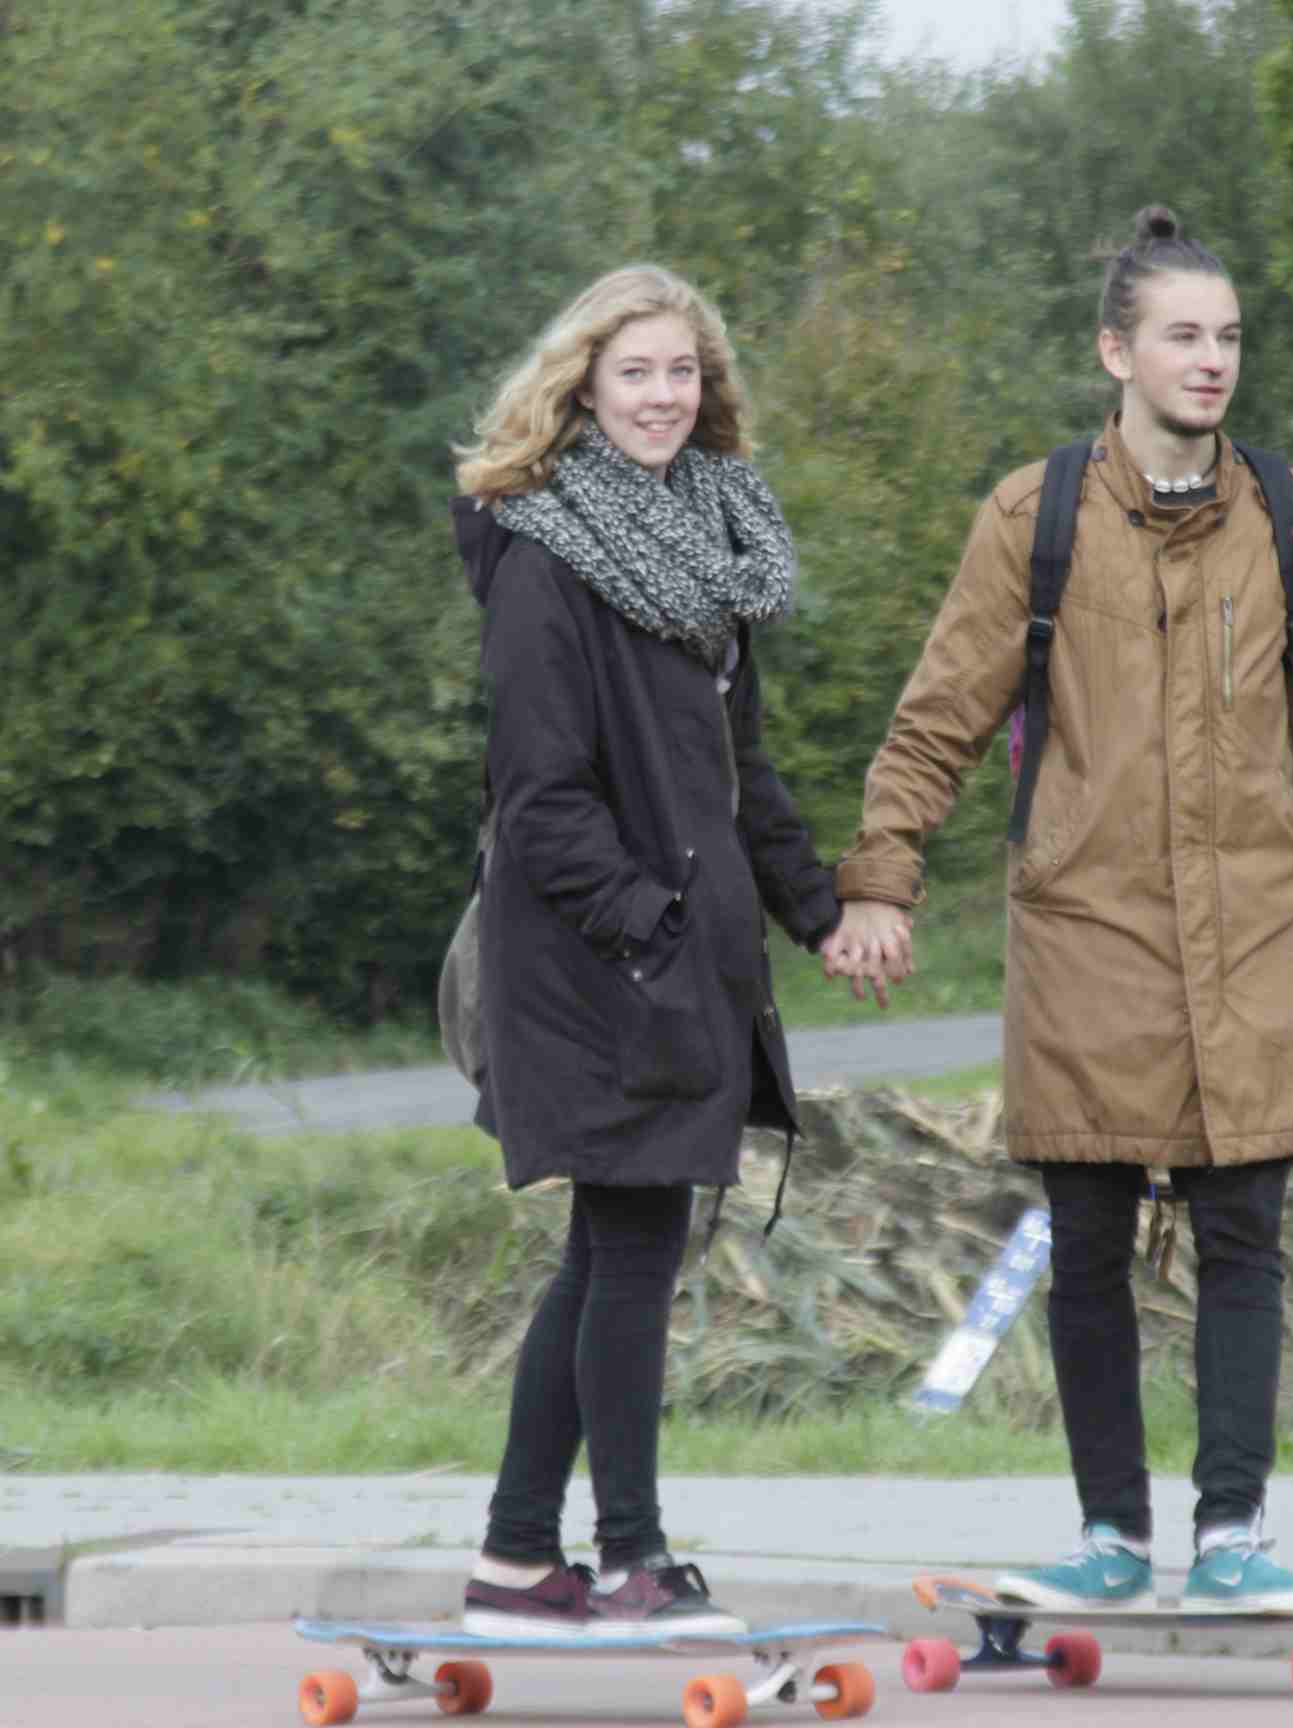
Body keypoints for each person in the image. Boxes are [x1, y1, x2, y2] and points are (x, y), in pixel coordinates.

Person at [822, 207, 1293, 1611]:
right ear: (1115, 352)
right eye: (1183, 336)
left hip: (1257, 938)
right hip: (1085, 936)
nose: (1212, 360)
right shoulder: (1036, 518)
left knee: (1244, 1236)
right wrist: (881, 876)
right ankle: (1110, 1541)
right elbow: (939, 717)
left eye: (1229, 337)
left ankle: (1233, 1540)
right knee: (1086, 1246)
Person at [448, 264, 842, 1636]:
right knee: (629, 1248)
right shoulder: (547, 555)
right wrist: (655, 929)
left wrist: (820, 911)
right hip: (593, 962)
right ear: (583, 388)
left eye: (682, 372)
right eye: (636, 374)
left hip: (666, 958)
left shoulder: (710, 552)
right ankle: (628, 1557)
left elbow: (742, 773)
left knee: (612, 1250)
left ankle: (516, 1558)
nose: (663, 396)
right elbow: (539, 798)